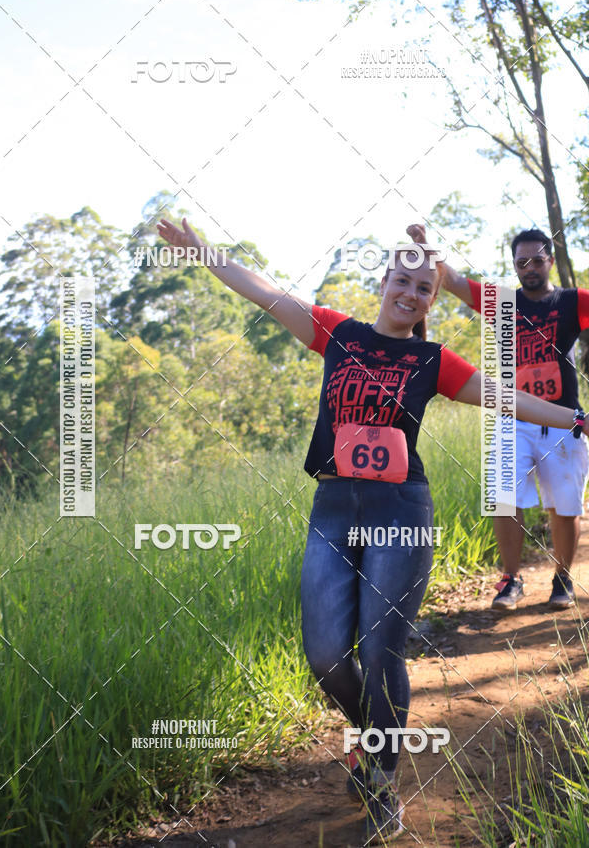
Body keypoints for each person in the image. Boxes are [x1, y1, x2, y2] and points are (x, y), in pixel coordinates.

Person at [156, 217, 589, 844]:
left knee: (381, 649)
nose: (411, 294)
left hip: (402, 511)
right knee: (326, 651)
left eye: (424, 289)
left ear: (430, 300)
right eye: (403, 282)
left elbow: (502, 395)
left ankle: (381, 779)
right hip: (332, 508)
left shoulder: (431, 359)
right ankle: (375, 735)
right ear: (384, 281)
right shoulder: (338, 333)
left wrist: (575, 417)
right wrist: (203, 252)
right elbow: (263, 290)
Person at [407, 223, 589, 613]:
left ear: (550, 261)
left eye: (537, 260)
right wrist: (427, 247)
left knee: (565, 506)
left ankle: (561, 577)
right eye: (521, 262)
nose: (530, 267)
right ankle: (512, 578)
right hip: (513, 419)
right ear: (515, 266)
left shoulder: (573, 301)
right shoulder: (503, 303)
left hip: (563, 421)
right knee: (504, 498)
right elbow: (452, 280)